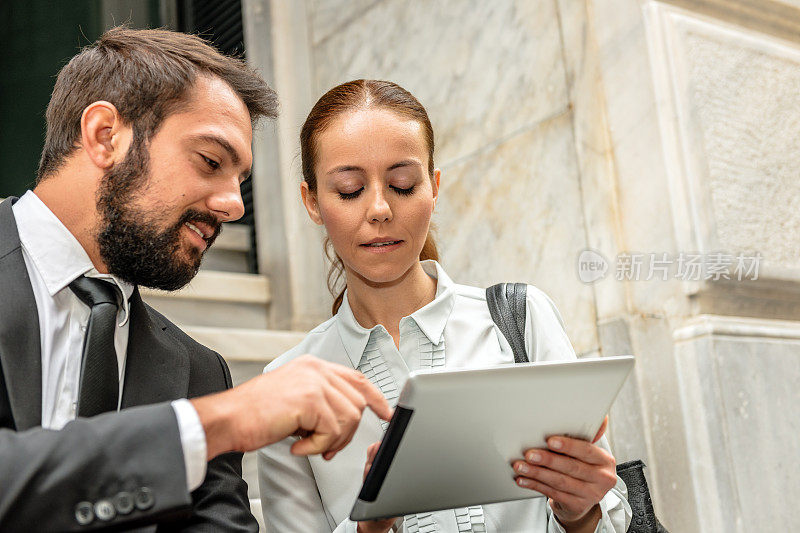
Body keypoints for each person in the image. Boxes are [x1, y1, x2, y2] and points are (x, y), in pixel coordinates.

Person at [0, 29, 390, 531]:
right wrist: (217, 423)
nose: (234, 205)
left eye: (241, 181)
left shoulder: (200, 372)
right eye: (210, 161)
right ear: (104, 135)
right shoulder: (216, 408)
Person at [258, 79, 633, 533]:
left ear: (433, 188)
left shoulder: (521, 319)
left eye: (402, 184)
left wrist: (582, 512)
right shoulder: (285, 385)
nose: (379, 209)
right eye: (351, 189)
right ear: (312, 201)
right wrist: (369, 527)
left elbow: (608, 513)